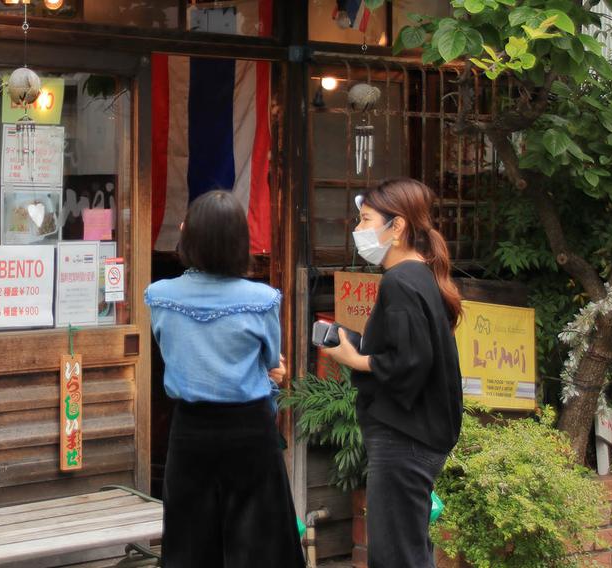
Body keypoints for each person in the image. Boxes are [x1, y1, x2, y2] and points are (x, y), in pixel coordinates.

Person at [144, 190, 305, 568]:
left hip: (191, 430)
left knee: (191, 537)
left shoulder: (161, 295)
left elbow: (170, 347)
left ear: (187, 236)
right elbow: (271, 362)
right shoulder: (262, 299)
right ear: (240, 242)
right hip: (250, 429)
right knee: (260, 539)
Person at [323, 177, 463, 568]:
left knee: (395, 555)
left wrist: (356, 360)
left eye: (366, 220)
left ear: (397, 226)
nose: (358, 230)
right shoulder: (420, 273)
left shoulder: (401, 281)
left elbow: (409, 361)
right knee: (408, 549)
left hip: (405, 437)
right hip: (420, 434)